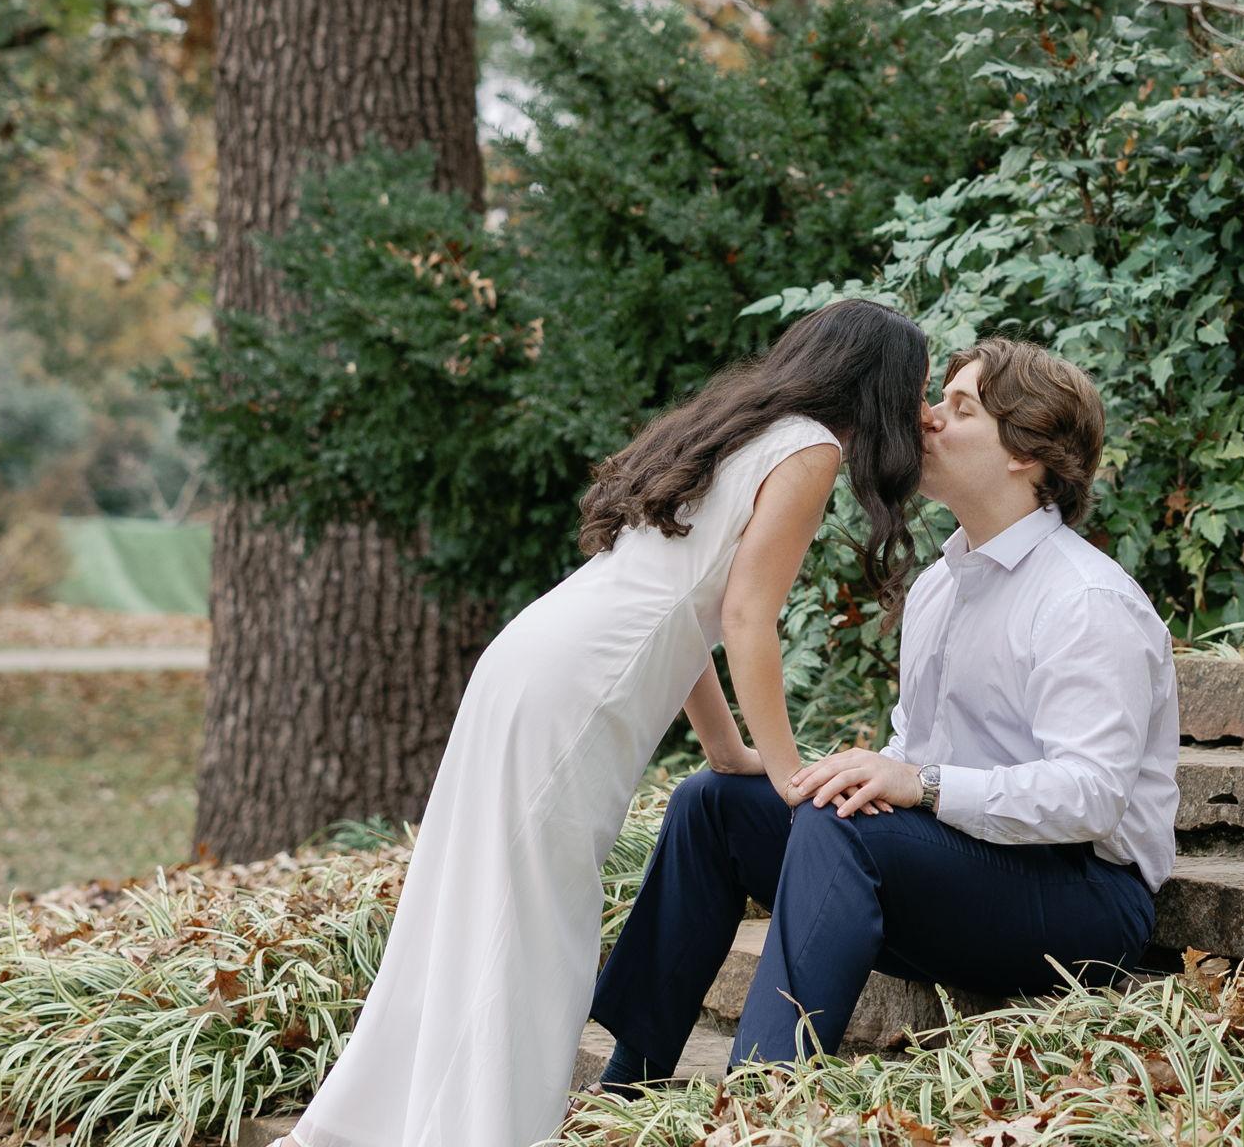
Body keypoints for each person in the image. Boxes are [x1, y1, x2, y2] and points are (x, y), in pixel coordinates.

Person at [284, 297, 928, 1147]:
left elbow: (684, 610)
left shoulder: (739, 428)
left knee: (473, 907)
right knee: (537, 927)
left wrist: (727, 750)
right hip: (576, 690)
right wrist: (784, 772)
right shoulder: (810, 448)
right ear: (878, 384)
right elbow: (743, 617)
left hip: (535, 659)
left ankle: (381, 1127)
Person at [593, 336, 1179, 1086]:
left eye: (960, 407)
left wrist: (921, 784)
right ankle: (628, 1081)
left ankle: (759, 1102)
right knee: (713, 804)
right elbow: (914, 755)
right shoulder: (940, 586)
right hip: (958, 871)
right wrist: (877, 779)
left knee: (842, 833)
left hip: (1082, 904)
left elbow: (1092, 798)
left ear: (1025, 454)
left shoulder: (1085, 600)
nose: (927, 419)